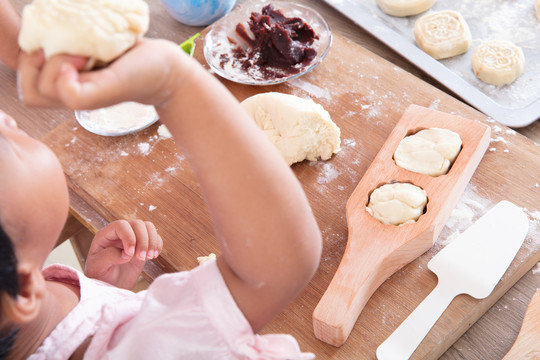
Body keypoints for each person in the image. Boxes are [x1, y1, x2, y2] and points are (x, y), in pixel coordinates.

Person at [0, 36, 322, 358]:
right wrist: (176, 83)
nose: (6, 118)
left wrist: (102, 290)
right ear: (24, 291)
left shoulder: (21, 301)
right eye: (5, 142)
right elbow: (279, 262)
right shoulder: (156, 345)